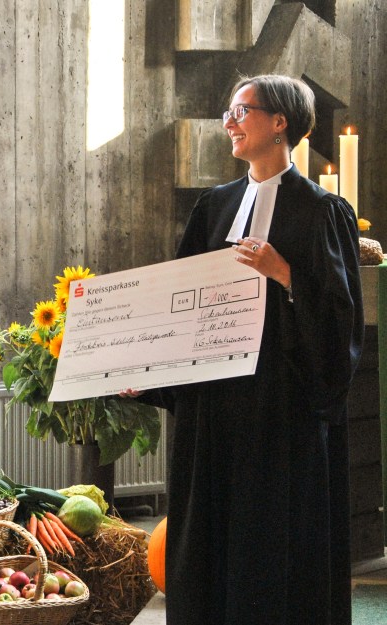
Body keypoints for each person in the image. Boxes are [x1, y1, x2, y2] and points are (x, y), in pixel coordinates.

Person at [136, 75, 363, 625]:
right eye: (229, 112)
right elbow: (177, 304)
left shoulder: (322, 211)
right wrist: (146, 367)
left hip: (278, 409)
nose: (229, 122)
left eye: (241, 110)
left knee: (271, 541)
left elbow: (340, 323)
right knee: (206, 540)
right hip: (214, 409)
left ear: (280, 123)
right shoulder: (213, 208)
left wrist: (283, 272)